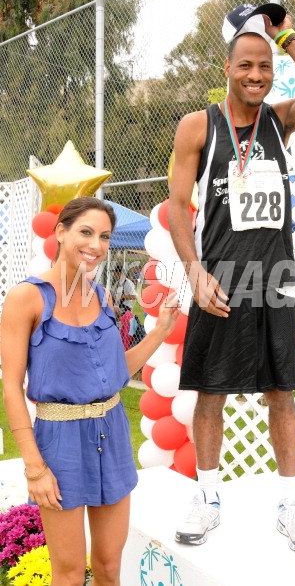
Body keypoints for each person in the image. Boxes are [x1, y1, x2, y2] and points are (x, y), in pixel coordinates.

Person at [168, 3, 295, 552]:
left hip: (274, 282)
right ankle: (208, 496)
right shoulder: (200, 126)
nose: (255, 76)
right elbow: (178, 205)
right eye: (246, 65)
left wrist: (284, 37)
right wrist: (193, 272)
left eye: (264, 67)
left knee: (281, 392)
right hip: (219, 280)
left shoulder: (281, 118)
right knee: (211, 392)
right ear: (227, 68)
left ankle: (291, 502)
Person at [1, 196, 179, 585]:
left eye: (104, 236)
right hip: (59, 442)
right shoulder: (26, 298)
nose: (95, 245)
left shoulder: (102, 297)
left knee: (109, 566)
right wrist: (34, 467)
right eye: (85, 232)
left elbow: (116, 374)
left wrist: (162, 331)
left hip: (112, 435)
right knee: (66, 572)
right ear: (60, 232)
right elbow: (11, 388)